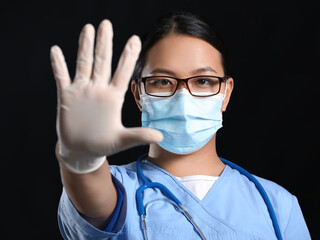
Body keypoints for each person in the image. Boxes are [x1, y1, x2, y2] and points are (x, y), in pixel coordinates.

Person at [50, 11, 311, 240]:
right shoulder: (118, 191)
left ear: (226, 93)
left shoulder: (277, 205)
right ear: (139, 94)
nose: (183, 96)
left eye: (204, 81)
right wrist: (80, 161)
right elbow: (91, 195)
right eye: (163, 81)